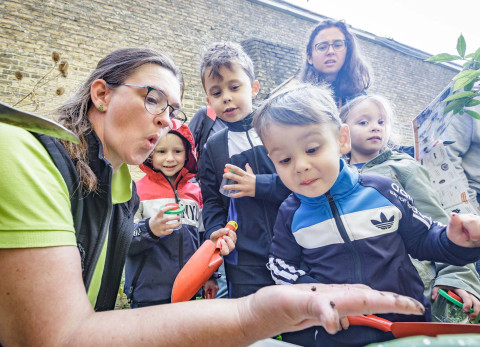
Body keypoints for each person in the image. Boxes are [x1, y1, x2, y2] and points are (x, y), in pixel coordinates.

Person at [0, 47, 428, 347]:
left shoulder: (118, 190)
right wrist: (250, 314)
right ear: (101, 93)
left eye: (173, 111)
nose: (165, 120)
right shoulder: (24, 153)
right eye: (154, 99)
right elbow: (55, 336)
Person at [253, 83, 480, 347]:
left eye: (313, 149)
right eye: (284, 160)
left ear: (342, 140)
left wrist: (456, 240)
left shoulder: (382, 190)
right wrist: (318, 293)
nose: (301, 166)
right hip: (338, 334)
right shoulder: (290, 214)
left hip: (407, 326)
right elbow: (282, 266)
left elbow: (425, 238)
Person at [339, 94, 480, 320]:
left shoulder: (404, 168)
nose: (375, 127)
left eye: (381, 122)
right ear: (342, 133)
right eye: (363, 122)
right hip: (353, 291)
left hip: (409, 285)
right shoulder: (333, 179)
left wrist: (456, 277)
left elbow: (437, 223)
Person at [198, 41, 291, 299]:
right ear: (209, 100)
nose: (226, 97)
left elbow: (303, 180)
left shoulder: (280, 130)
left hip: (296, 247)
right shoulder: (213, 148)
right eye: (216, 93)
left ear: (254, 87)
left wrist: (258, 185)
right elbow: (213, 202)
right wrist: (217, 229)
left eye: (234, 87)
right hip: (244, 261)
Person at [124, 124, 220, 306]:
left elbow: (204, 242)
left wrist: (210, 276)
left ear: (188, 155)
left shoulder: (197, 193)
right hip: (147, 293)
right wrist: (149, 230)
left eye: (177, 151)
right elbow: (123, 241)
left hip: (188, 291)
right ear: (150, 153)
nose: (170, 158)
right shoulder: (136, 191)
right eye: (161, 151)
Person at [270, 19, 371, 107]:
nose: (331, 51)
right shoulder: (296, 100)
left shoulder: (360, 102)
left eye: (338, 45)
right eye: (322, 47)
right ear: (309, 57)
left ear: (348, 51)